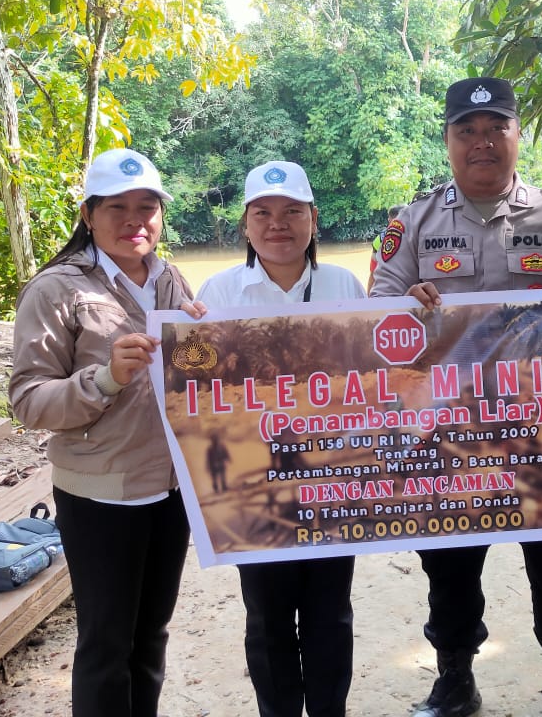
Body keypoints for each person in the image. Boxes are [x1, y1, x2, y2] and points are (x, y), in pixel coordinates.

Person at [370, 77, 542, 717]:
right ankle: (454, 679)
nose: (482, 142)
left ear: (518, 135)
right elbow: (371, 313)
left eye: (496, 128)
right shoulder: (411, 222)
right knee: (449, 560)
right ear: (448, 140)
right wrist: (405, 304)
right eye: (467, 130)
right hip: (448, 429)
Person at [9, 148, 193, 717]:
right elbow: (28, 400)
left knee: (152, 636)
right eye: (117, 207)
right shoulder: (55, 290)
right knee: (106, 645)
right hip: (100, 495)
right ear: (88, 214)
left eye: (147, 207)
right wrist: (106, 378)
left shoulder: (170, 279)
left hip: (171, 490)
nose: (134, 220)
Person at [187, 160, 366, 717]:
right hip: (253, 483)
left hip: (332, 480)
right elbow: (196, 388)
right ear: (245, 224)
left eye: (292, 211)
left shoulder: (344, 286)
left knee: (330, 610)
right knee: (266, 615)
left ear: (314, 218)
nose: (277, 224)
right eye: (262, 213)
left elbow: (372, 380)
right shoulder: (217, 293)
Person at [366, 203, 405, 291]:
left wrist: (368, 296)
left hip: (385, 289)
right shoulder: (415, 237)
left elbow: (373, 273)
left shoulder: (379, 239)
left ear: (389, 219)